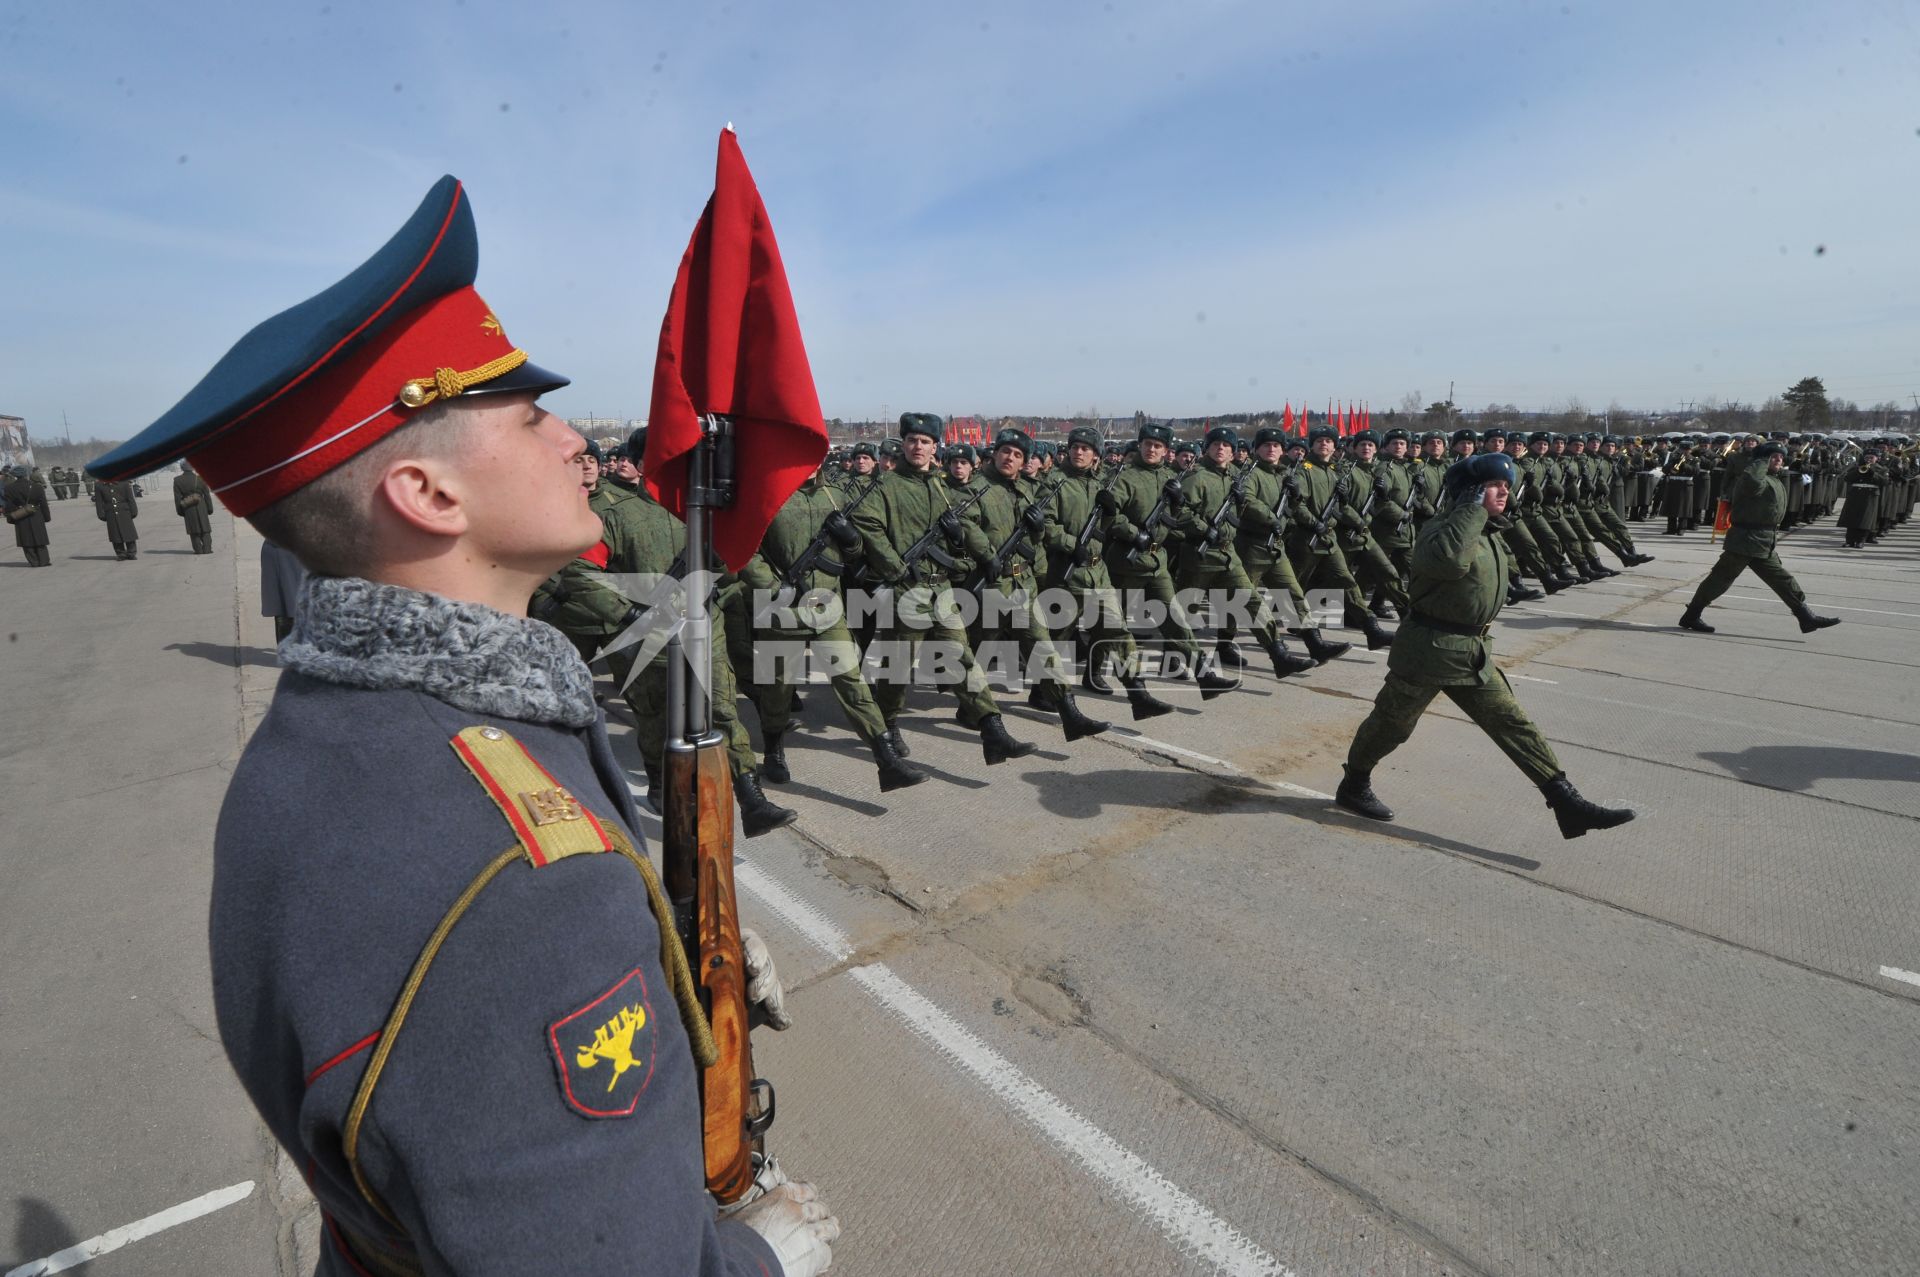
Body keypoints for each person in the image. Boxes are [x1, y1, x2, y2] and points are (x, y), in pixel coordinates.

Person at [82, 176, 836, 1277]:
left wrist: (660, 953)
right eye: (532, 416)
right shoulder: (521, 887)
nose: (579, 439)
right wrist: (763, 1260)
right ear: (429, 495)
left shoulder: (334, 738)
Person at [1335, 453, 1636, 840]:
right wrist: (1472, 510)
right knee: (1392, 725)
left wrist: (1480, 515)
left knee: (1512, 723)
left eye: (1506, 486)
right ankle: (1354, 783)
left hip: (1471, 652)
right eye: (1495, 486)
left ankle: (1566, 802)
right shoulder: (1440, 530)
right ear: (1470, 494)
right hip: (1429, 651)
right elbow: (1448, 564)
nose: (1504, 492)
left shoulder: (1489, 532)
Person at [1678, 443, 1840, 635]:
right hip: (1745, 540)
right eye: (1774, 456)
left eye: (1781, 456)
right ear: (1761, 460)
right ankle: (1692, 615)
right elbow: (1753, 481)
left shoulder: (1773, 479)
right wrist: (1761, 460)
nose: (1780, 460)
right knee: (1720, 579)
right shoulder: (1752, 479)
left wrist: (1768, 459)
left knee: (1782, 580)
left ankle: (1805, 617)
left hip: (1763, 541)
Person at [4, 464, 53, 566]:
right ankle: (44, 561)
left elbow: (9, 505)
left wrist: (11, 518)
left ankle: (34, 561)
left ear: (14, 475)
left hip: (20, 515)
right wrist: (46, 517)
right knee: (40, 538)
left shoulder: (9, 488)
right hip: (36, 514)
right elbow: (43, 503)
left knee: (26, 539)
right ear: (26, 474)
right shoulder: (37, 487)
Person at [93, 474, 139, 558]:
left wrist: (134, 511)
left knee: (129, 533)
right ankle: (120, 553)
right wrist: (101, 514)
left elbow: (130, 498)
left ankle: (131, 552)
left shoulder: (123, 483)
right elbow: (99, 502)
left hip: (124, 511)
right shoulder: (99, 485)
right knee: (115, 534)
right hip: (110, 511)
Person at [174, 461, 216, 553]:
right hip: (202, 505)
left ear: (182, 468)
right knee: (205, 529)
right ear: (192, 468)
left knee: (194, 530)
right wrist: (209, 509)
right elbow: (207, 495)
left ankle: (198, 550)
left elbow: (177, 499)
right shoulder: (201, 478)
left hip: (188, 507)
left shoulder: (177, 480)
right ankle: (207, 549)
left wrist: (180, 511)